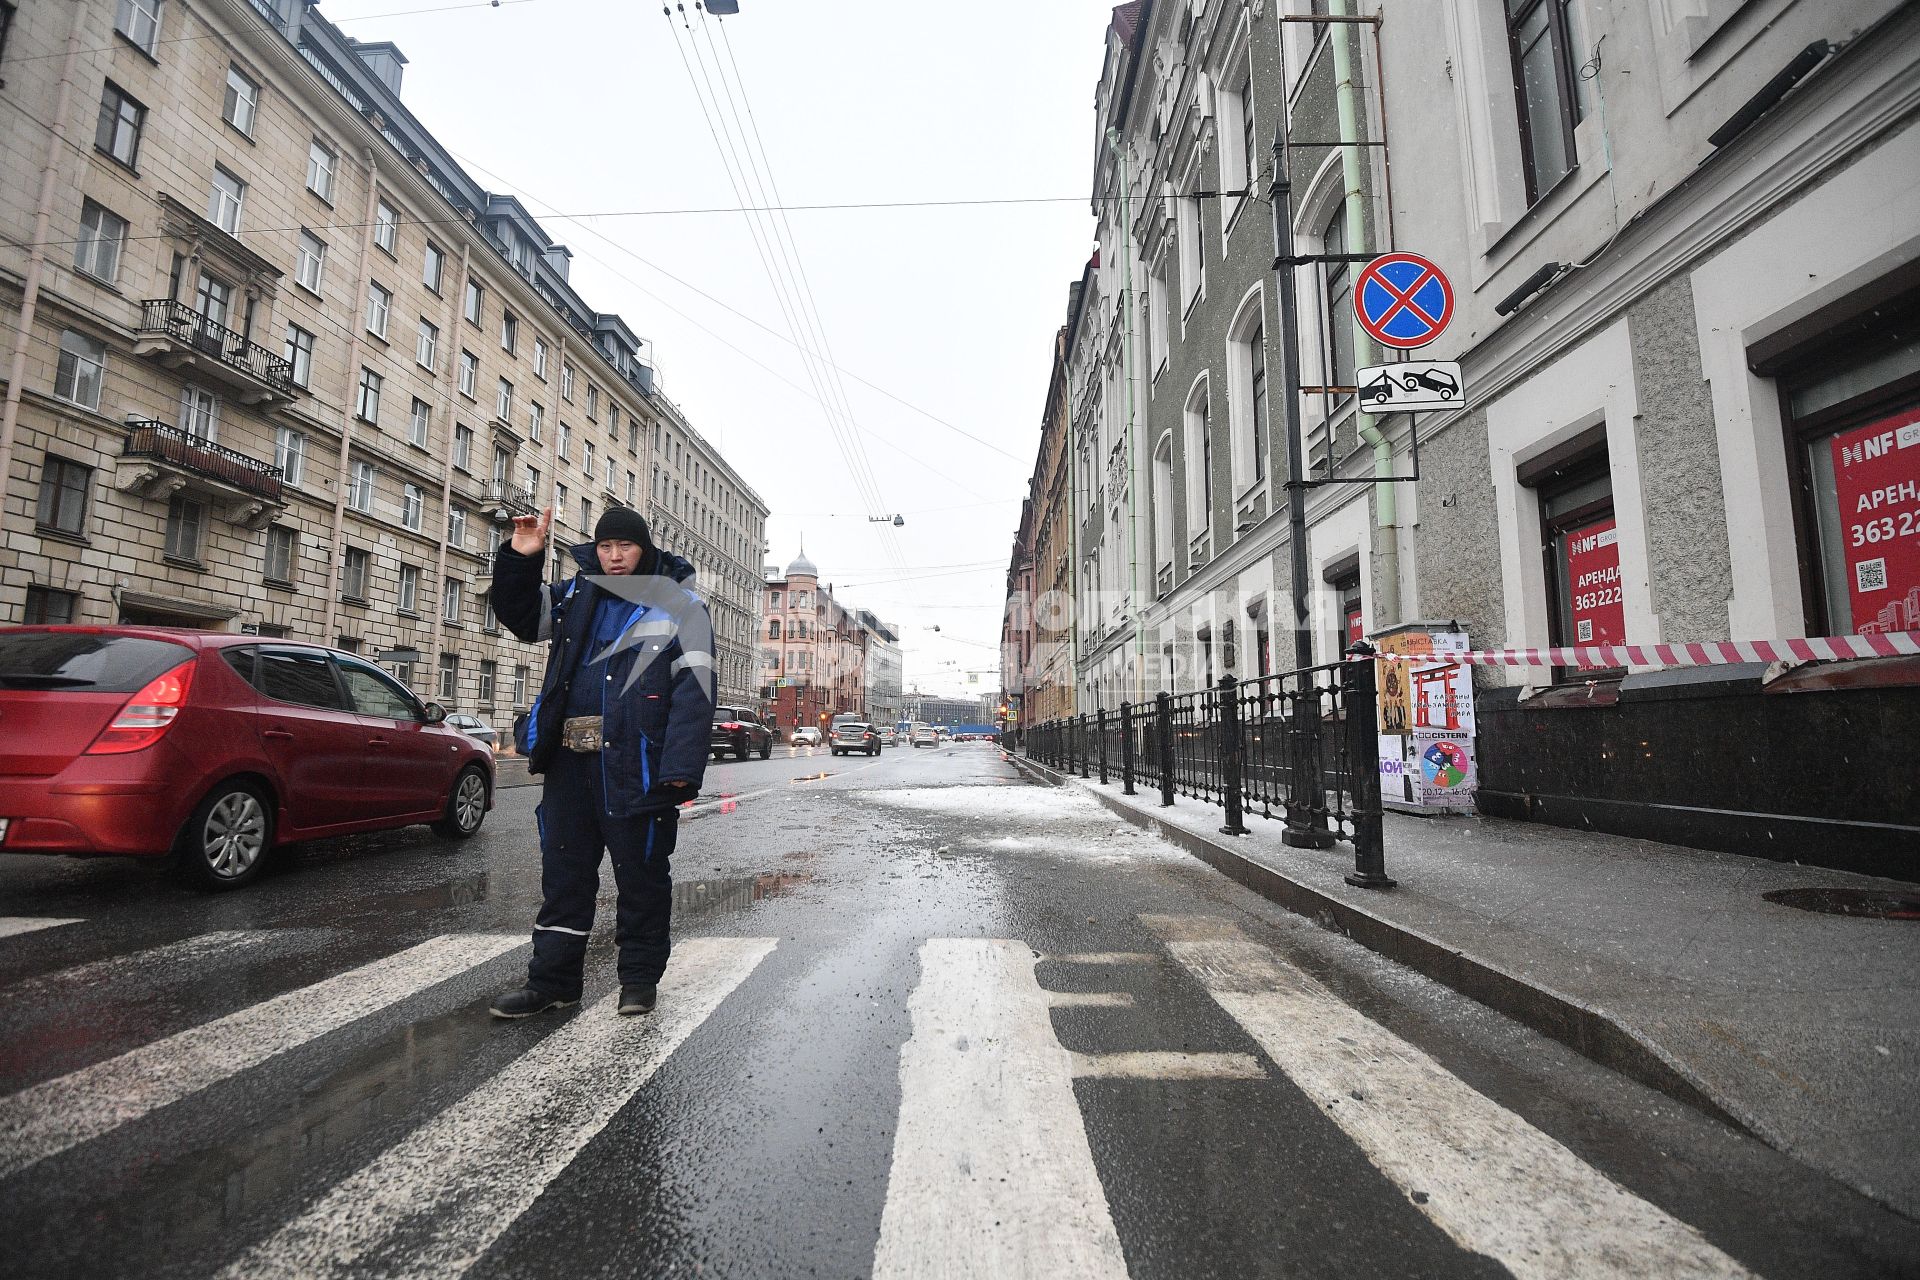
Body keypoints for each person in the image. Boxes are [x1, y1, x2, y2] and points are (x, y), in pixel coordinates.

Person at [486, 504, 714, 1019]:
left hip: (638, 766)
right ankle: (553, 982)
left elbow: (695, 693)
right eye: (606, 547)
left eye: (625, 547)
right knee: (563, 876)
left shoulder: (680, 607)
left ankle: (637, 980)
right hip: (570, 763)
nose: (614, 557)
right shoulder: (575, 594)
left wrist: (679, 771)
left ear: (644, 550)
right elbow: (520, 616)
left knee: (641, 877)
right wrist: (522, 557)